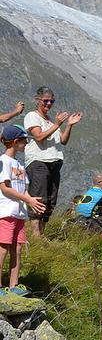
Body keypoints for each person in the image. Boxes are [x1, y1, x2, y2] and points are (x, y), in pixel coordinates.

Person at [23, 86, 82, 236]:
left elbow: (63, 140)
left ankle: (42, 233)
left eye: (52, 101)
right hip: (39, 161)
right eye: (46, 100)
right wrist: (57, 124)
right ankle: (36, 234)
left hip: (54, 162)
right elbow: (38, 137)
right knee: (39, 197)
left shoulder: (50, 120)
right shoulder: (32, 116)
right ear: (38, 100)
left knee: (50, 200)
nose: (49, 104)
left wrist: (69, 125)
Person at [0, 125, 45, 296]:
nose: (26, 143)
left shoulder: (19, 164)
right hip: (5, 211)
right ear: (15, 141)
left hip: (19, 213)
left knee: (17, 248)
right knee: (2, 248)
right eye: (24, 140)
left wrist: (31, 201)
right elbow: (5, 188)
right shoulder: (3, 162)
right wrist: (27, 199)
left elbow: (23, 189)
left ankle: (14, 285)